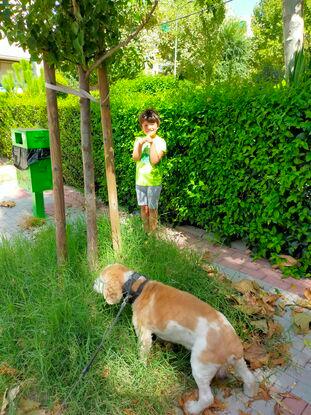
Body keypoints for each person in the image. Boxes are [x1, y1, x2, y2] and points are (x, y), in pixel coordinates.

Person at [132, 109, 167, 232]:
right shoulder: (138, 140)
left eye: (151, 124)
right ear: (142, 126)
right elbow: (135, 158)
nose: (149, 127)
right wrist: (140, 145)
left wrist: (151, 144)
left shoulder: (160, 141)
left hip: (154, 182)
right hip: (140, 181)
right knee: (143, 208)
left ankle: (153, 236)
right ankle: (146, 232)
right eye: (145, 125)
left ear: (157, 125)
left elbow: (154, 161)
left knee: (152, 209)